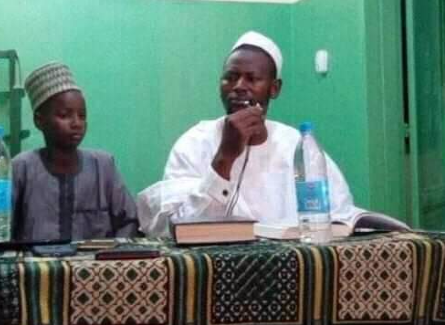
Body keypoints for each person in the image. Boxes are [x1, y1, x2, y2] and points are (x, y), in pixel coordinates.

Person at [137, 31, 362, 236]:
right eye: (230, 77)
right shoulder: (194, 143)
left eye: (252, 79)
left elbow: (340, 214)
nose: (239, 86)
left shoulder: (296, 145)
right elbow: (175, 229)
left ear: (274, 89)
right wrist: (224, 158)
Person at [12, 62, 139, 241]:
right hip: (35, 259)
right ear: (39, 121)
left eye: (82, 116)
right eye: (64, 115)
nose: (76, 123)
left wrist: (115, 252)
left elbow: (129, 222)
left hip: (98, 260)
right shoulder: (22, 168)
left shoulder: (103, 166)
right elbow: (2, 230)